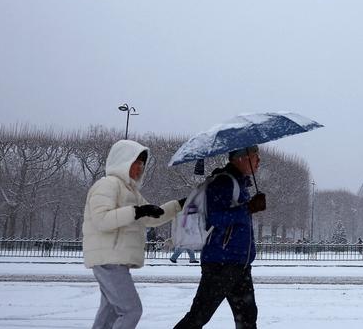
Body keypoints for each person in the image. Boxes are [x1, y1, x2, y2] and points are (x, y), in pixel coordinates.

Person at [83, 140, 182, 329]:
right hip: (109, 259)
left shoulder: (131, 192)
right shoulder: (107, 185)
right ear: (123, 162)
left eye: (142, 164)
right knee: (131, 310)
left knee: (111, 311)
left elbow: (152, 217)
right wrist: (137, 211)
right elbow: (102, 220)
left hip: (114, 260)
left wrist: (179, 205)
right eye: (136, 163)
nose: (140, 168)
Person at [174, 145, 267, 329]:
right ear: (240, 158)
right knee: (199, 317)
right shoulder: (223, 182)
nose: (259, 160)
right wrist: (248, 208)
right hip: (221, 263)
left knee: (247, 318)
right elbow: (215, 218)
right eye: (255, 155)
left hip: (238, 263)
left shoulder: (241, 183)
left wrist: (250, 206)